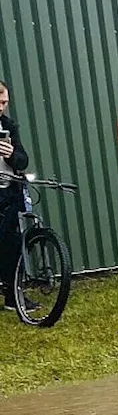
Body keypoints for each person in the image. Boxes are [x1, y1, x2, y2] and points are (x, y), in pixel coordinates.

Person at [0, 80, 37, 311]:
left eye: (4, 102)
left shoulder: (8, 126)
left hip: (7, 192)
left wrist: (12, 153)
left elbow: (23, 160)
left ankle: (14, 295)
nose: (2, 106)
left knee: (13, 243)